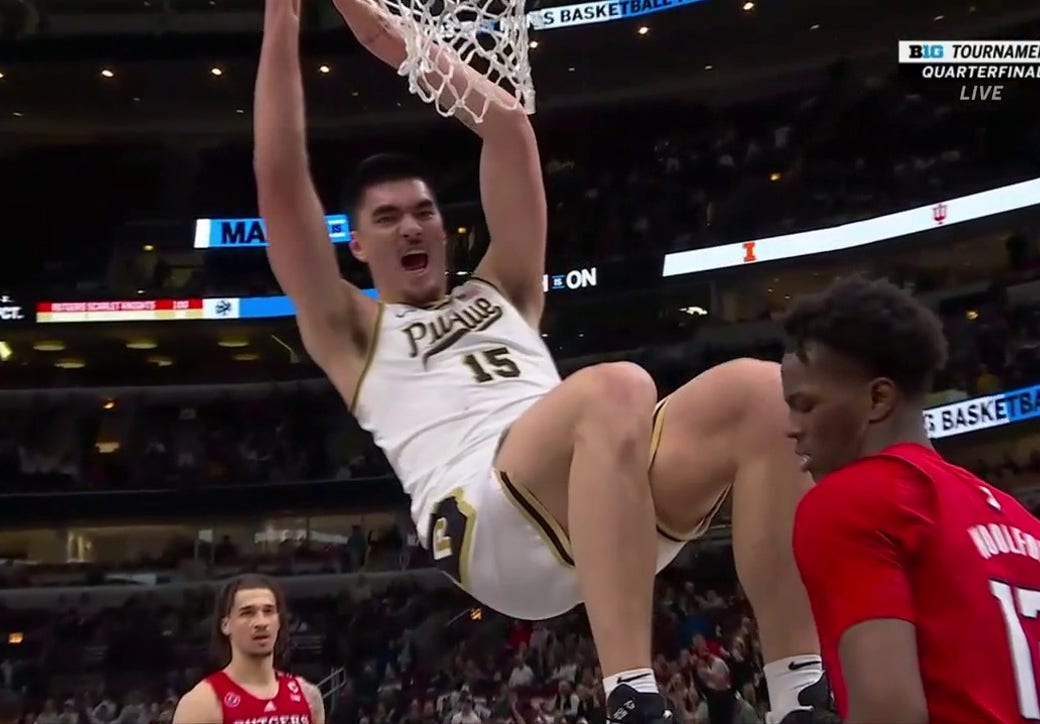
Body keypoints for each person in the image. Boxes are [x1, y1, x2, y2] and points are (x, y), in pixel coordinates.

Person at [252, 0, 831, 719]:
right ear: (359, 247)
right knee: (617, 385)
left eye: (424, 210)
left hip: (599, 504)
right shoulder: (354, 330)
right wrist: (283, 21)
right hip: (486, 526)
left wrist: (394, 42)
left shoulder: (506, 287)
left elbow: (508, 129)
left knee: (763, 392)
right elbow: (279, 187)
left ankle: (797, 687)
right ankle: (629, 695)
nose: (412, 225)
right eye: (388, 217)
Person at [780, 275, 1040, 723]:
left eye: (804, 405)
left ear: (878, 399)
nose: (790, 426)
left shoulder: (850, 501)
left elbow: (890, 714)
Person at [173, 575, 325, 724]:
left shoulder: (308, 696)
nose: (261, 622)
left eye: (268, 611)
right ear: (226, 625)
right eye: (247, 613)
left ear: (279, 621)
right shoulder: (201, 704)